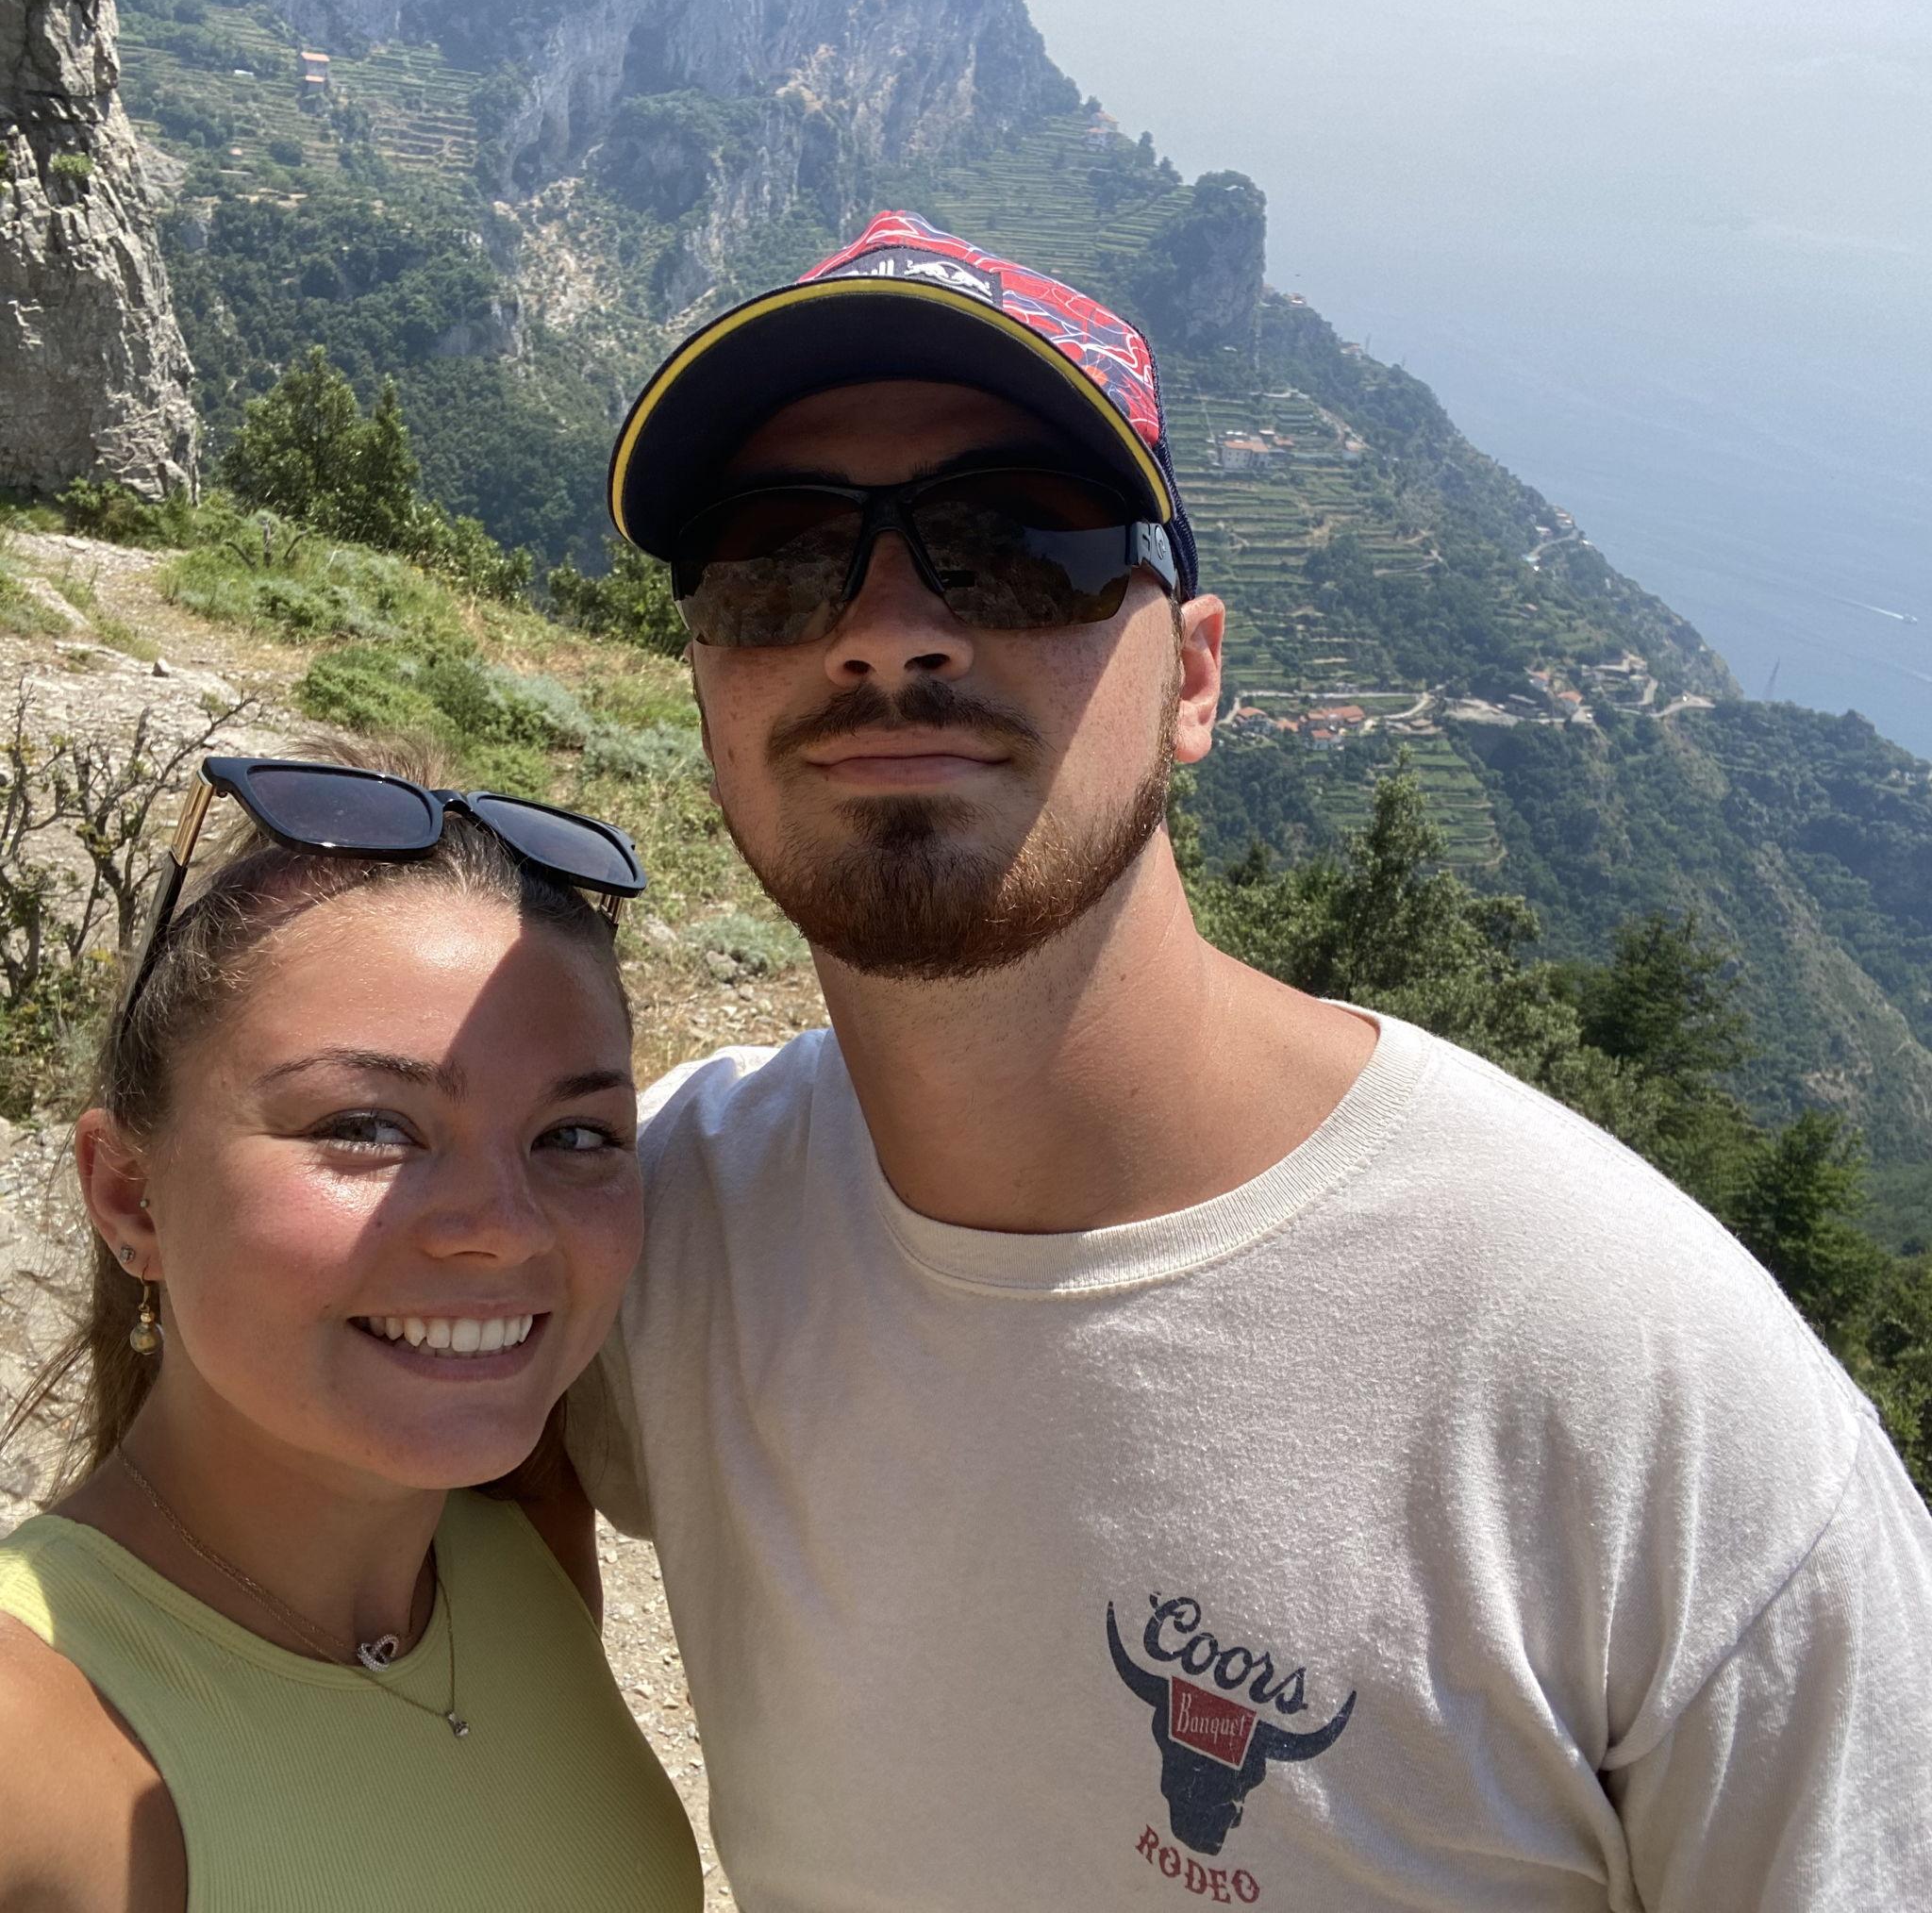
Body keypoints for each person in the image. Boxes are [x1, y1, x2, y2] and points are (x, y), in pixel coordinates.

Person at [567, 210, 1932, 1910]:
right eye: (775, 560)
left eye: (1015, 544)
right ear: (703, 679)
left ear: (1194, 681)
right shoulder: (652, 1232)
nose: (887, 630)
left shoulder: (1650, 1405)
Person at [0, 740, 703, 1910]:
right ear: (129, 1193)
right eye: (369, 1126)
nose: (504, 1228)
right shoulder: (34, 1730)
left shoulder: (519, 1539)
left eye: (574, 1136)